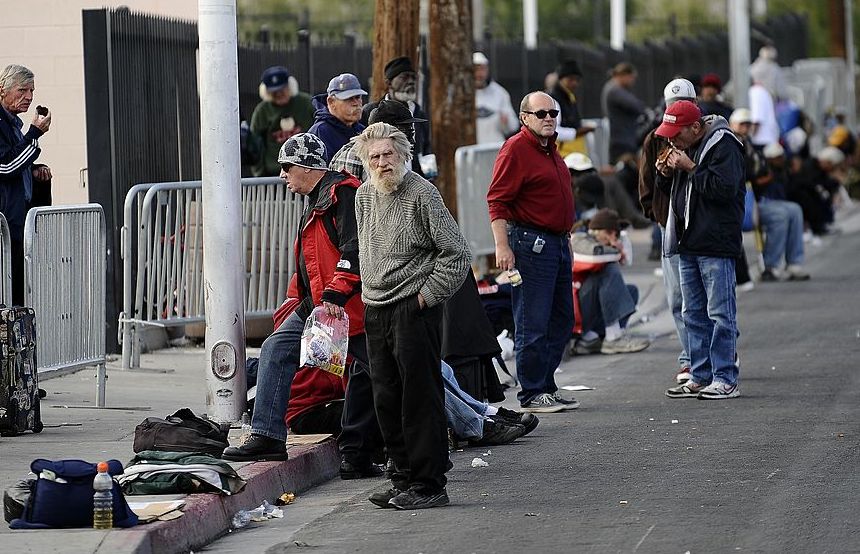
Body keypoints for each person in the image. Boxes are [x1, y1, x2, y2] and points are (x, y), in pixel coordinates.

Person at [223, 134, 383, 484]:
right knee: (275, 349)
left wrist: (335, 296)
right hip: (322, 308)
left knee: (380, 373)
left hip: (343, 309)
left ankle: (375, 453)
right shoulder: (319, 198)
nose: (282, 175)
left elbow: (353, 251)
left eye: (286, 167)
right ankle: (267, 436)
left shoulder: (343, 194)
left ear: (307, 166)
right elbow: (312, 262)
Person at [352, 122, 471, 510]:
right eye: (375, 157)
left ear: (403, 156)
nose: (382, 163)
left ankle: (429, 484)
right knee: (386, 397)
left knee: (419, 398)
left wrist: (425, 298)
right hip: (375, 307)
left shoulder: (423, 194)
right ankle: (401, 476)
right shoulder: (364, 196)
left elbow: (456, 254)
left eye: (389, 155)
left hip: (412, 307)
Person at [486, 91, 577, 414]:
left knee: (563, 318)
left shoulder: (549, 149)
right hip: (530, 244)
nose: (549, 118)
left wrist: (565, 238)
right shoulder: (516, 149)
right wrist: (502, 246)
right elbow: (497, 200)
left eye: (553, 112)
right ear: (524, 117)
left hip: (557, 242)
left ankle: (546, 384)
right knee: (533, 320)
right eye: (541, 113)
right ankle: (532, 391)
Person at [655, 101, 745, 400]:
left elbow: (723, 189)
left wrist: (689, 167)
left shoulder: (724, 144)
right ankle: (700, 374)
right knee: (692, 312)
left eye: (676, 133)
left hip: (715, 242)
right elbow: (678, 194)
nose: (672, 140)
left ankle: (725, 378)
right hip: (688, 241)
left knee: (720, 313)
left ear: (695, 127)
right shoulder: (687, 143)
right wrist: (666, 174)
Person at [638, 78, 696, 384]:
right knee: (677, 297)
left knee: (705, 298)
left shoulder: (705, 135)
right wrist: (658, 215)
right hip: (669, 227)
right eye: (672, 106)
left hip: (700, 228)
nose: (676, 111)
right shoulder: (656, 139)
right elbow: (646, 183)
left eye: (683, 104)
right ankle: (689, 357)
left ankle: (713, 354)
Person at [0, 64, 52, 305]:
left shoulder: (13, 125)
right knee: (7, 297)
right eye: (22, 90)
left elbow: (16, 165)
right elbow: (6, 166)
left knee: (20, 300)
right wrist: (34, 135)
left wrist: (35, 170)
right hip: (5, 229)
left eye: (31, 91)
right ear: (3, 90)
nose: (29, 97)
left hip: (18, 225)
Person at [570, 209, 650, 355]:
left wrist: (617, 252)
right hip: (573, 309)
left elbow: (624, 262)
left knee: (631, 291)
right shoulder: (578, 239)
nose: (614, 238)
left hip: (586, 305)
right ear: (597, 231)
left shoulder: (601, 245)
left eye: (617, 234)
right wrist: (617, 252)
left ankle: (593, 338)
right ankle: (613, 338)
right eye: (610, 233)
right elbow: (595, 257)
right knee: (609, 268)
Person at [332, 99, 426, 180]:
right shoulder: (353, 156)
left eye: (411, 132)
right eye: (406, 132)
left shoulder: (392, 153)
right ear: (385, 130)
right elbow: (344, 198)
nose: (412, 141)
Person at [756, 143, 810, 281]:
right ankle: (771, 265)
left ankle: (794, 263)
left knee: (795, 209)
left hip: (775, 203)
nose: (780, 160)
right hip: (757, 204)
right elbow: (754, 184)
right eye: (777, 158)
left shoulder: (783, 170)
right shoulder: (761, 167)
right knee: (781, 215)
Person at [361, 57, 431, 163]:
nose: (411, 82)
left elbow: (426, 148)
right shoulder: (370, 111)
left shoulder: (419, 113)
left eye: (413, 78)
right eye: (404, 77)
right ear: (389, 83)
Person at [249, 66, 315, 177]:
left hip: (306, 170)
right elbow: (255, 144)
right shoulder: (262, 111)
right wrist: (259, 173)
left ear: (290, 86)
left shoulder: (307, 103)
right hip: (273, 173)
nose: (279, 94)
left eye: (282, 89)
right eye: (274, 91)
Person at [307, 73, 366, 162]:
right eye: (348, 98)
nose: (356, 103)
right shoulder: (319, 132)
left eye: (358, 97)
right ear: (331, 102)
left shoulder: (362, 130)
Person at [601, 62, 645, 163]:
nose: (633, 81)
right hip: (621, 141)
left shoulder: (613, 89)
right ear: (624, 75)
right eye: (632, 77)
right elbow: (637, 106)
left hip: (622, 139)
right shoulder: (614, 90)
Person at [549, 59, 595, 158]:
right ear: (561, 79)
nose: (574, 83)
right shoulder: (554, 100)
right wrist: (577, 132)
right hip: (563, 154)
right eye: (570, 79)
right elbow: (553, 130)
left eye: (577, 80)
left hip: (575, 152)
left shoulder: (570, 96)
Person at [473, 52, 518, 145]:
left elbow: (513, 125)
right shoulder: (461, 94)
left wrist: (506, 122)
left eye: (482, 69)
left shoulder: (500, 93)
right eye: (476, 69)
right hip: (470, 150)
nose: (479, 74)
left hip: (494, 148)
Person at [749, 66, 780, 148]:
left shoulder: (755, 92)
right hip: (769, 138)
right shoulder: (761, 91)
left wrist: (749, 139)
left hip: (761, 140)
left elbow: (756, 119)